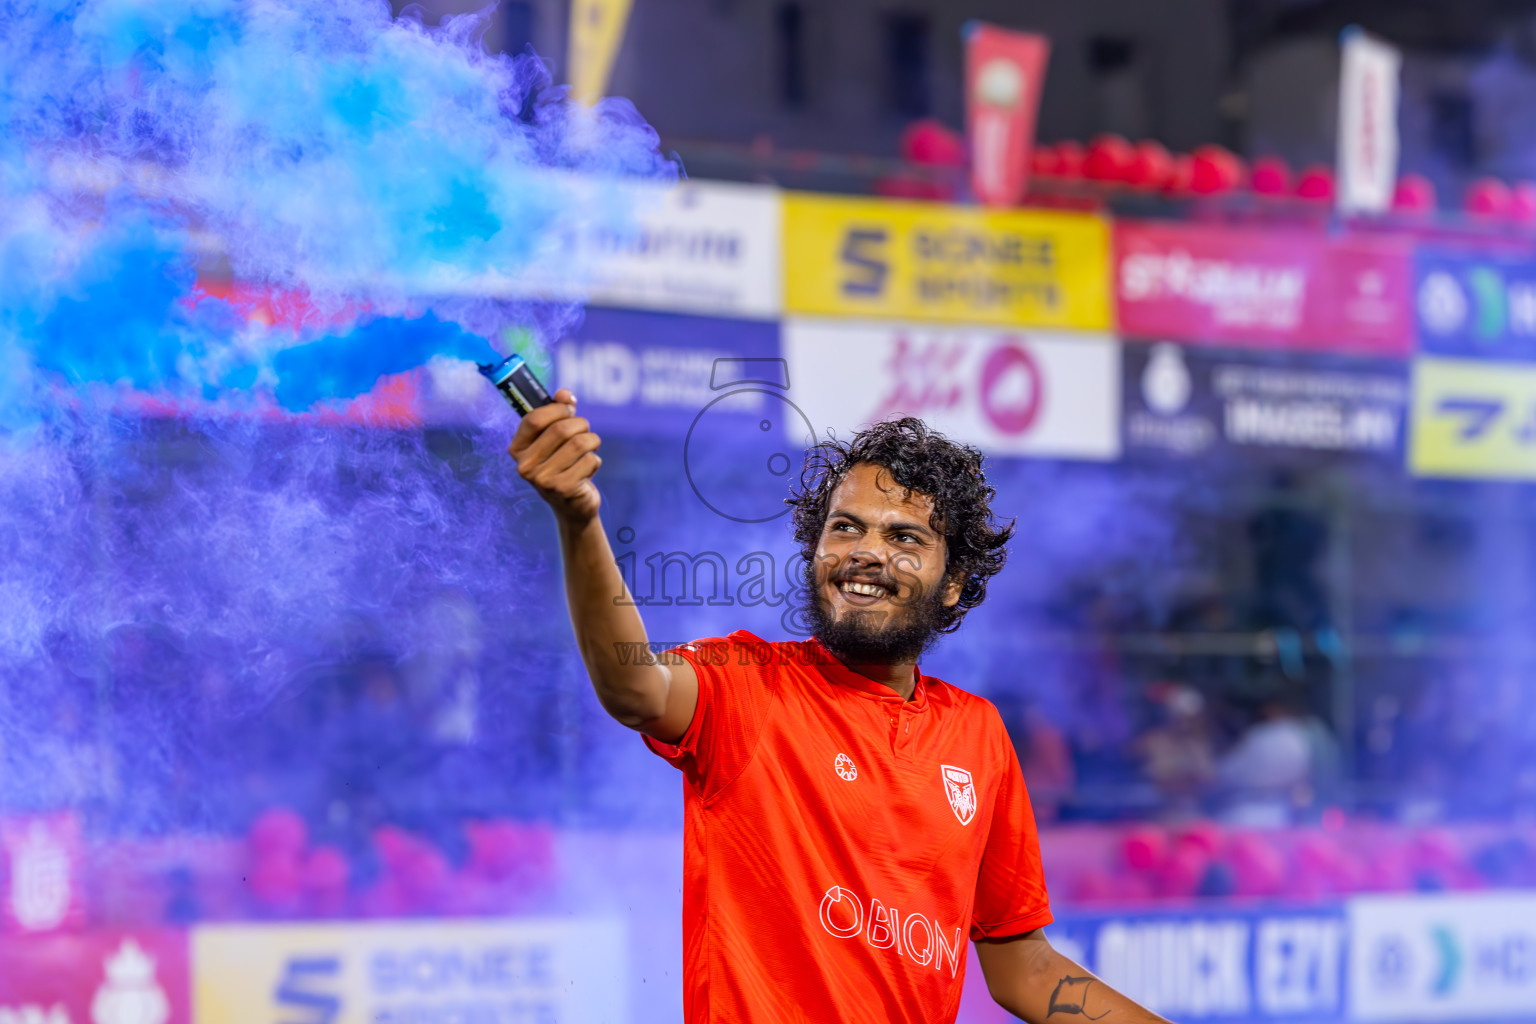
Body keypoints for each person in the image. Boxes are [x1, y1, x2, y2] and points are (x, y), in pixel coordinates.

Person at [511, 392, 1171, 1024]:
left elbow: (1024, 969)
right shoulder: (747, 685)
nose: (867, 551)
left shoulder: (979, 734)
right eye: (845, 527)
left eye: (906, 537)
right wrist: (579, 517)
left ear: (954, 585)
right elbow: (634, 687)